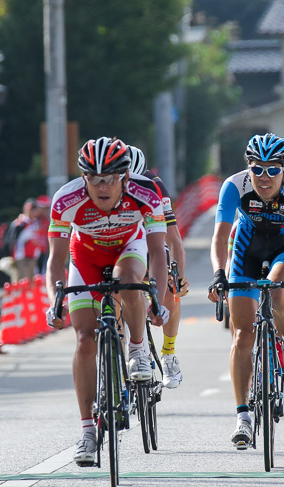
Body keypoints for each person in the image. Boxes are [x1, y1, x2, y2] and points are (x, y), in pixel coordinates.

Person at [44, 136, 169, 466]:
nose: (102, 186)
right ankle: (87, 432)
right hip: (84, 258)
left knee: (128, 280)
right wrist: (53, 299)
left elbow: (158, 251)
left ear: (125, 178)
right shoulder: (66, 200)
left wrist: (158, 295)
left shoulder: (146, 194)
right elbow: (56, 260)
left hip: (129, 249)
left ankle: (138, 349)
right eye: (94, 178)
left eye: (111, 178)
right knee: (85, 340)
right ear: (83, 177)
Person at [207, 133, 284, 450]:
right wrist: (218, 273)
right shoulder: (234, 186)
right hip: (246, 250)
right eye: (257, 169)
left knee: (281, 291)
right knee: (242, 334)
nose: (265, 177)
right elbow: (220, 238)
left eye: (273, 169)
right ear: (248, 169)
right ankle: (243, 417)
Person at [127, 145, 189, 388]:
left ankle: (169, 353)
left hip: (151, 238)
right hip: (120, 242)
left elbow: (173, 238)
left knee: (171, 293)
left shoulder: (153, 186)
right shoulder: (105, 184)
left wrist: (179, 276)